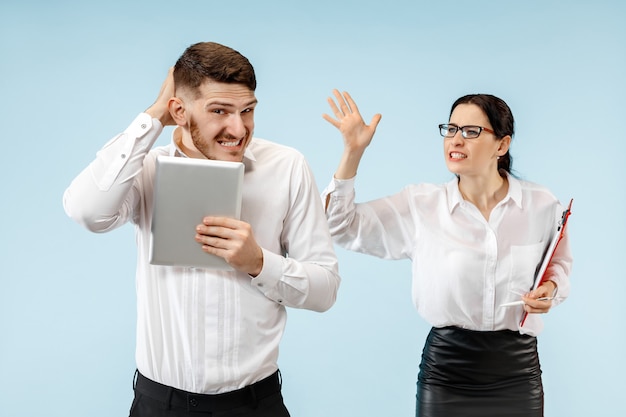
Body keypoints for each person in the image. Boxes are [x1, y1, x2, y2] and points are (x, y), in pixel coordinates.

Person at [63, 42, 340, 417]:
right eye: (219, 112)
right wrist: (153, 118)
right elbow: (86, 211)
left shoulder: (287, 166)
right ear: (179, 110)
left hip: (255, 405)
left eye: (248, 111)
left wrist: (259, 262)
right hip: (160, 404)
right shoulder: (146, 168)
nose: (238, 128)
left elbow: (325, 289)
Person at [321, 90, 572, 417]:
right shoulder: (421, 204)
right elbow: (338, 225)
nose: (456, 140)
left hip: (517, 370)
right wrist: (352, 153)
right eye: (451, 129)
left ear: (502, 145)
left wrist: (550, 291)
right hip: (447, 370)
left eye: (471, 132)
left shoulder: (541, 204)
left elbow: (558, 266)